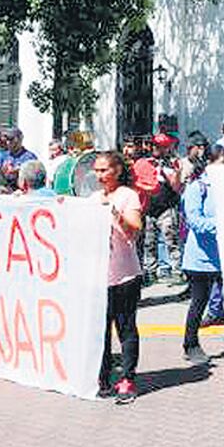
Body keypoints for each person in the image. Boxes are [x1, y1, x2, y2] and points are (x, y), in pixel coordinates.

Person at [94, 151, 143, 404]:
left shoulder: (128, 195)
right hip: (99, 277)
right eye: (97, 170)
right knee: (100, 330)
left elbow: (134, 230)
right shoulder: (93, 198)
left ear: (117, 171)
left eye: (104, 170)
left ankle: (127, 378)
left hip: (125, 276)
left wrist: (116, 215)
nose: (99, 175)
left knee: (125, 328)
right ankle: (102, 378)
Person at [181, 144, 224, 365]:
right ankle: (190, 344)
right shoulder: (197, 187)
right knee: (199, 301)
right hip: (201, 258)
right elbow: (195, 222)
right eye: (221, 164)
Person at [134, 133, 183, 285]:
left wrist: (169, 170)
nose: (157, 149)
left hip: (167, 206)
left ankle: (176, 270)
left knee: (171, 239)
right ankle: (150, 271)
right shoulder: (144, 162)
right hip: (149, 207)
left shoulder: (172, 164)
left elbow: (176, 186)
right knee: (149, 241)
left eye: (161, 147)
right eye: (155, 146)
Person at [0, 127, 38, 191]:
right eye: (6, 140)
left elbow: (34, 179)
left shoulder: (29, 157)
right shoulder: (3, 156)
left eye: (11, 139)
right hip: (5, 191)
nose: (8, 142)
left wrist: (19, 170)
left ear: (19, 140)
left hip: (22, 192)